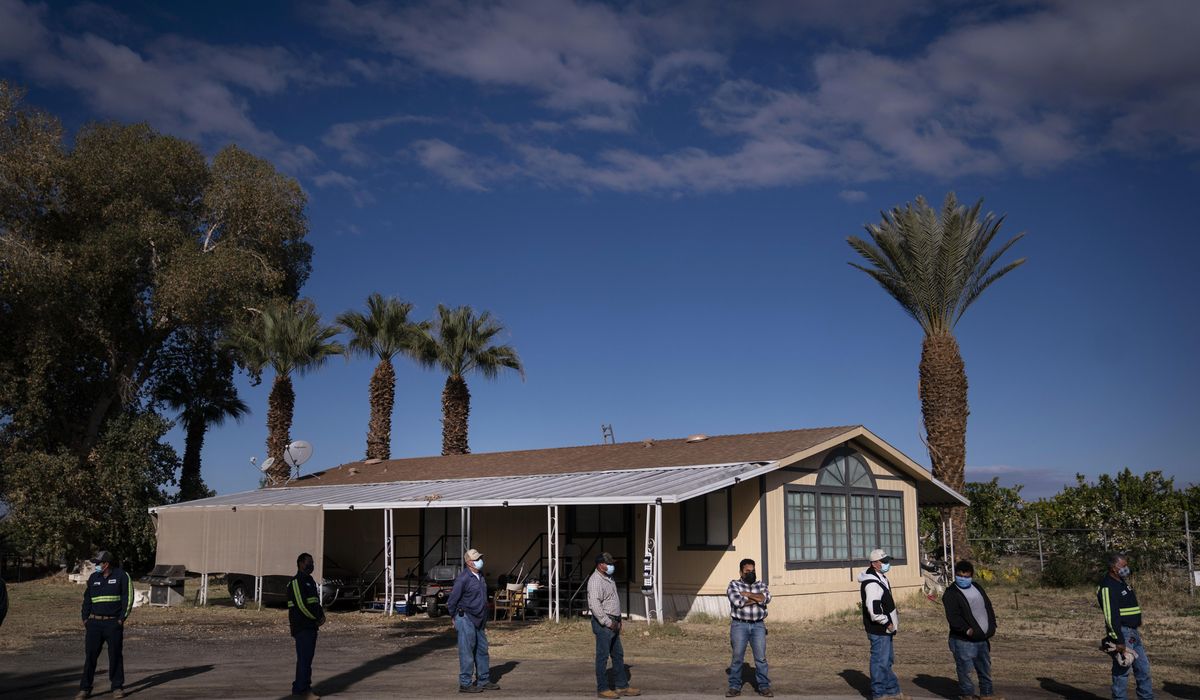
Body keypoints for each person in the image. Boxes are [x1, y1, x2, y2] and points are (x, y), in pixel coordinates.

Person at [76, 550, 133, 700]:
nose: (96, 566)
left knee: (115, 655)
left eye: (98, 564)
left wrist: (121, 619)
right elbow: (87, 600)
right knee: (90, 657)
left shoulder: (122, 576)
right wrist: (85, 619)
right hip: (94, 624)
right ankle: (85, 689)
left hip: (113, 624)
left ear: (106, 564)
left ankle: (117, 687)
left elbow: (128, 598)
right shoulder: (93, 578)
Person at [942, 560, 1001, 700]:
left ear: (971, 576)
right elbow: (953, 617)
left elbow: (987, 606)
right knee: (965, 670)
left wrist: (992, 625)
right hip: (963, 640)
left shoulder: (977, 587)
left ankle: (987, 694)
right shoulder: (951, 593)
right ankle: (967, 695)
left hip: (982, 638)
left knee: (984, 668)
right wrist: (967, 630)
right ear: (955, 575)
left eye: (966, 576)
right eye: (960, 576)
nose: (963, 578)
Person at [1098, 552, 1153, 700]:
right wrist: (1119, 641)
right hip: (1123, 634)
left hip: (1133, 633)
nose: (1126, 568)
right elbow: (1110, 617)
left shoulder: (1122, 582)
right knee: (1122, 670)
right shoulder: (1107, 587)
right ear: (1113, 568)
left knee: (1143, 669)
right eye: (1123, 566)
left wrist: (1136, 620)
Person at [588, 552, 640, 699]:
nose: (611, 566)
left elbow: (612, 600)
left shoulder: (608, 578)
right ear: (600, 565)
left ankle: (622, 686)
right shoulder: (595, 581)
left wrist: (618, 620)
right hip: (604, 624)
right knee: (602, 657)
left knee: (618, 655)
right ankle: (603, 688)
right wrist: (608, 622)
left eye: (612, 563)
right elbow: (595, 606)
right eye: (608, 564)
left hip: (614, 621)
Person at [446, 548, 497, 693]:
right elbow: (452, 601)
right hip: (465, 617)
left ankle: (484, 680)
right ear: (469, 562)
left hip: (479, 618)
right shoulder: (463, 578)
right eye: (476, 559)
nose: (479, 561)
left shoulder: (480, 576)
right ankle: (465, 683)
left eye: (479, 558)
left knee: (482, 649)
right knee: (467, 651)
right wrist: (454, 617)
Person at [858, 548, 906, 700]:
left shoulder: (881, 577)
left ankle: (893, 692)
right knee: (880, 662)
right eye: (884, 561)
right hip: (879, 629)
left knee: (887, 661)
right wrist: (887, 623)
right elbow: (874, 610)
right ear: (874, 564)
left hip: (885, 629)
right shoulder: (872, 583)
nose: (887, 564)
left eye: (887, 561)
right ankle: (879, 694)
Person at [725, 558, 773, 697]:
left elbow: (767, 598)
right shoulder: (734, 585)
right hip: (739, 625)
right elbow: (738, 602)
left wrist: (748, 595)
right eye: (747, 571)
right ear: (741, 572)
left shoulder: (761, 584)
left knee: (761, 658)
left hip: (758, 625)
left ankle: (763, 686)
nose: (751, 573)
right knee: (737, 657)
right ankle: (734, 686)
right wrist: (757, 599)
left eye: (753, 571)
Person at [287, 552, 325, 699]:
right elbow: (301, 605)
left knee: (306, 659)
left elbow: (315, 601)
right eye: (309, 562)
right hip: (302, 627)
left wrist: (321, 615)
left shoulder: (310, 580)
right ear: (301, 564)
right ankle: (303, 690)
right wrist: (314, 618)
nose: (312, 565)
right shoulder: (296, 582)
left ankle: (300, 688)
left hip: (311, 626)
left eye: (312, 562)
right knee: (304, 659)